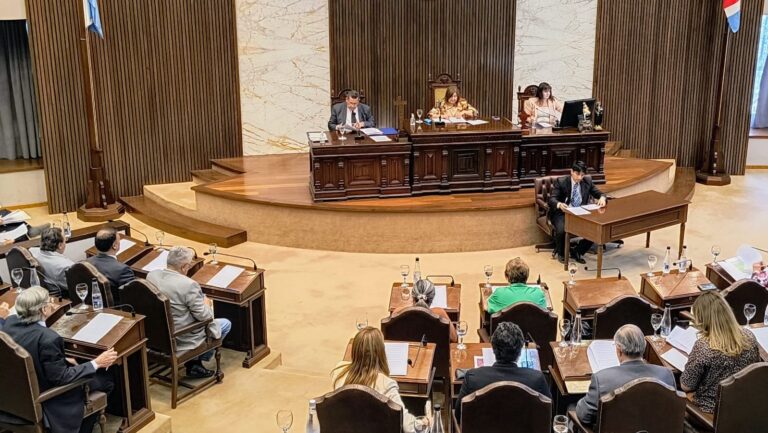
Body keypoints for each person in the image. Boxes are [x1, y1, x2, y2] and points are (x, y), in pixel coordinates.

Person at [2, 286, 117, 433]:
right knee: (106, 380)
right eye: (49, 301)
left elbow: (30, 353)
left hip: (14, 397)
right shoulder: (48, 338)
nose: (52, 303)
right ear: (43, 310)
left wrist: (60, 359)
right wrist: (96, 363)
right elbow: (61, 378)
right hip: (46, 398)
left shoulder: (10, 323)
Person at [146, 246, 231, 379]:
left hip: (157, 334)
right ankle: (195, 363)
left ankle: (194, 362)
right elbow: (205, 316)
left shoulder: (152, 275)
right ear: (184, 267)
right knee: (225, 324)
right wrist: (207, 304)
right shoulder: (189, 285)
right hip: (182, 337)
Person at [575, 325, 676, 426]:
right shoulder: (666, 375)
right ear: (644, 346)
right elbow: (672, 413)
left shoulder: (601, 379)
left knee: (571, 408)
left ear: (619, 350)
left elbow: (585, 416)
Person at [680, 291, 761, 413]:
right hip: (743, 405)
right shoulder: (749, 337)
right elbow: (754, 370)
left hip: (710, 411)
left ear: (703, 318)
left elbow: (686, 385)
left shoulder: (704, 347)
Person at [331, 327, 422, 433]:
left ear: (355, 351)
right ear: (380, 353)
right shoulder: (386, 385)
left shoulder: (338, 372)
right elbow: (408, 426)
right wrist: (423, 422)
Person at [454, 322, 550, 422]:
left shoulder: (473, 378)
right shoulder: (537, 379)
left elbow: (458, 415)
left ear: (493, 347)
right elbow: (548, 416)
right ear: (520, 350)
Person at [547, 161, 606, 264]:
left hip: (580, 213)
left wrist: (602, 198)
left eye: (582, 175)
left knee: (595, 229)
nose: (579, 178)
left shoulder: (587, 181)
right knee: (561, 230)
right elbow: (552, 199)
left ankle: (578, 251)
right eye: (577, 174)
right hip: (562, 213)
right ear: (572, 172)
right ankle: (561, 253)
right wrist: (560, 204)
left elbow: (600, 194)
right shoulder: (562, 182)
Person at [86, 227, 135, 302]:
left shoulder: (85, 263)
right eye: (119, 240)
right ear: (115, 246)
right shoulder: (123, 270)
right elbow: (132, 297)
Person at [32, 227, 75, 295]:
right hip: (61, 298)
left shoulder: (32, 251)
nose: (65, 242)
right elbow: (75, 287)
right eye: (65, 240)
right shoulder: (65, 266)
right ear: (60, 245)